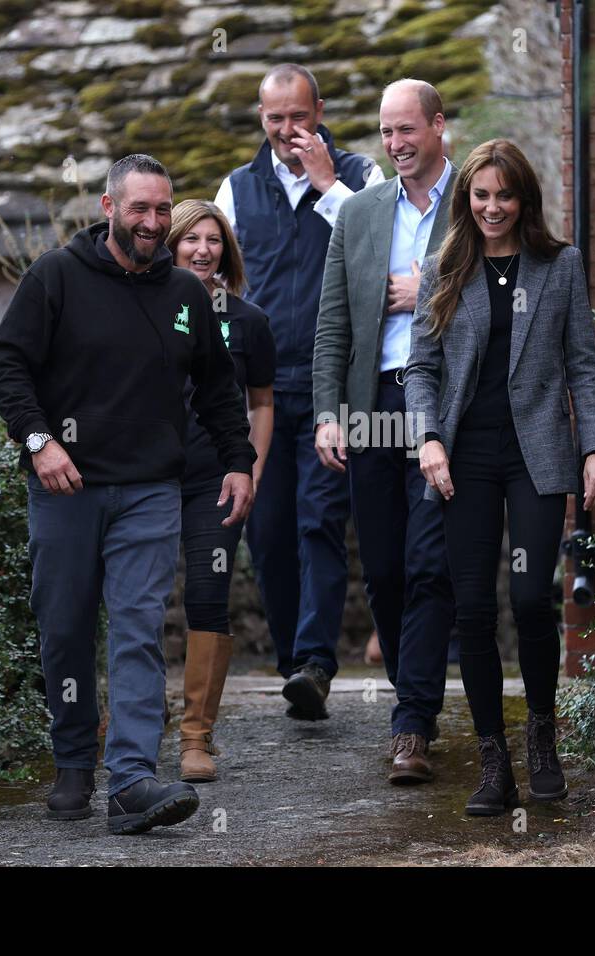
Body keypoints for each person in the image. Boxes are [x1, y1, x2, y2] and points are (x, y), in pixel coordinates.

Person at [0, 154, 256, 834]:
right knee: (66, 628)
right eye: (140, 208)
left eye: (163, 210)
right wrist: (39, 442)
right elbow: (8, 366)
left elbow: (222, 389)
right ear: (109, 207)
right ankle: (74, 760)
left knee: (137, 629)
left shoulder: (186, 297)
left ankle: (133, 779)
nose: (153, 222)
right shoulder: (56, 277)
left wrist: (238, 461)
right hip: (66, 491)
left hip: (149, 491)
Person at [403, 140, 595, 815]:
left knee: (529, 599)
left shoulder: (559, 265)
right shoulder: (445, 267)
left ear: (525, 199)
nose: (492, 207)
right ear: (467, 199)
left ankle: (543, 741)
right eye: (481, 195)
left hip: (538, 453)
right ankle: (494, 761)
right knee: (471, 609)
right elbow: (421, 370)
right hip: (464, 458)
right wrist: (428, 437)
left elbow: (584, 361)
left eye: (505, 195)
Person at [214, 64, 384, 719]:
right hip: (257, 394)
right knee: (269, 533)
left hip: (330, 390)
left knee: (319, 522)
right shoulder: (237, 188)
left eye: (298, 116)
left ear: (319, 110)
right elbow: (214, 274)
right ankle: (293, 665)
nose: (288, 131)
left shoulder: (360, 177)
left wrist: (325, 186)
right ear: (262, 119)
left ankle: (316, 661)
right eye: (275, 119)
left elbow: (379, 247)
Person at [313, 79, 455, 784]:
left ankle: (412, 724)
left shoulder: (476, 202)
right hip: (371, 405)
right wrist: (328, 413)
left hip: (443, 407)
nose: (396, 144)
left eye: (408, 130)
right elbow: (333, 321)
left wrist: (424, 290)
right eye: (386, 132)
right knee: (389, 571)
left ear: (438, 127)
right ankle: (413, 700)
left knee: (432, 563)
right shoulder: (362, 213)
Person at [167, 199, 276, 782]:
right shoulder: (148, 309)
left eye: (213, 240)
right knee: (133, 600)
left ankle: (195, 740)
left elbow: (261, 402)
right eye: (191, 240)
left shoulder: (249, 321)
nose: (203, 250)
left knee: (208, 599)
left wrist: (250, 470)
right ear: (171, 245)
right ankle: (123, 726)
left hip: (216, 479)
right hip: (147, 476)